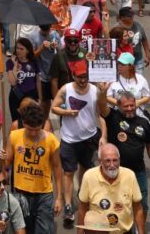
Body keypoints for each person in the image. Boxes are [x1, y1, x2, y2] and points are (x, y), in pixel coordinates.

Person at [51, 60, 104, 228]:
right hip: (69, 139)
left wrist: (104, 136)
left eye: (86, 77)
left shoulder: (95, 91)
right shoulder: (66, 89)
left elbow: (102, 113)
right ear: (73, 75)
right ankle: (68, 205)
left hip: (89, 138)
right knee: (68, 172)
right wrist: (66, 112)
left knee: (86, 169)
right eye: (80, 77)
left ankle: (82, 196)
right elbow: (54, 107)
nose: (83, 80)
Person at [1, 103, 63, 233]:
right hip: (20, 192)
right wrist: (2, 159)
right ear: (23, 123)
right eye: (30, 129)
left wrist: (59, 198)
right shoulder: (14, 136)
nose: (34, 133)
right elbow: (6, 166)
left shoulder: (51, 140)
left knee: (44, 230)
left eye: (37, 129)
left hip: (44, 194)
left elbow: (57, 168)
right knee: (22, 230)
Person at [99, 87, 150, 219]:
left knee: (142, 204)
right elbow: (101, 106)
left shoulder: (144, 122)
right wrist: (103, 92)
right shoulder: (113, 117)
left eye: (132, 105)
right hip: (116, 171)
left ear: (135, 104)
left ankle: (140, 230)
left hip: (138, 172)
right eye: (126, 106)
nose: (129, 108)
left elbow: (149, 146)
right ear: (119, 105)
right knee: (117, 205)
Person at [78, 143, 144, 234]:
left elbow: (138, 207)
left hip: (124, 232)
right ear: (100, 161)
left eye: (115, 160)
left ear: (119, 160)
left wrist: (141, 232)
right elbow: (82, 207)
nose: (112, 165)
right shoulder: (89, 177)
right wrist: (80, 231)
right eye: (107, 161)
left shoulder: (129, 175)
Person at [6, 38, 41, 122]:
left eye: (21, 49)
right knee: (17, 122)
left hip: (32, 95)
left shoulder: (34, 61)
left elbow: (38, 81)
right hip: (16, 96)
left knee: (31, 121)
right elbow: (13, 82)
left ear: (28, 50)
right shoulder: (10, 62)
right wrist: (15, 66)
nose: (18, 51)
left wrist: (40, 97)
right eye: (17, 48)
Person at [106, 51, 150, 116]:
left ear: (130, 66)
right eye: (118, 63)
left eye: (123, 64)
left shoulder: (141, 79)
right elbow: (107, 97)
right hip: (118, 116)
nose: (119, 66)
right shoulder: (112, 79)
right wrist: (121, 104)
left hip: (138, 115)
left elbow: (147, 96)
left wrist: (138, 102)